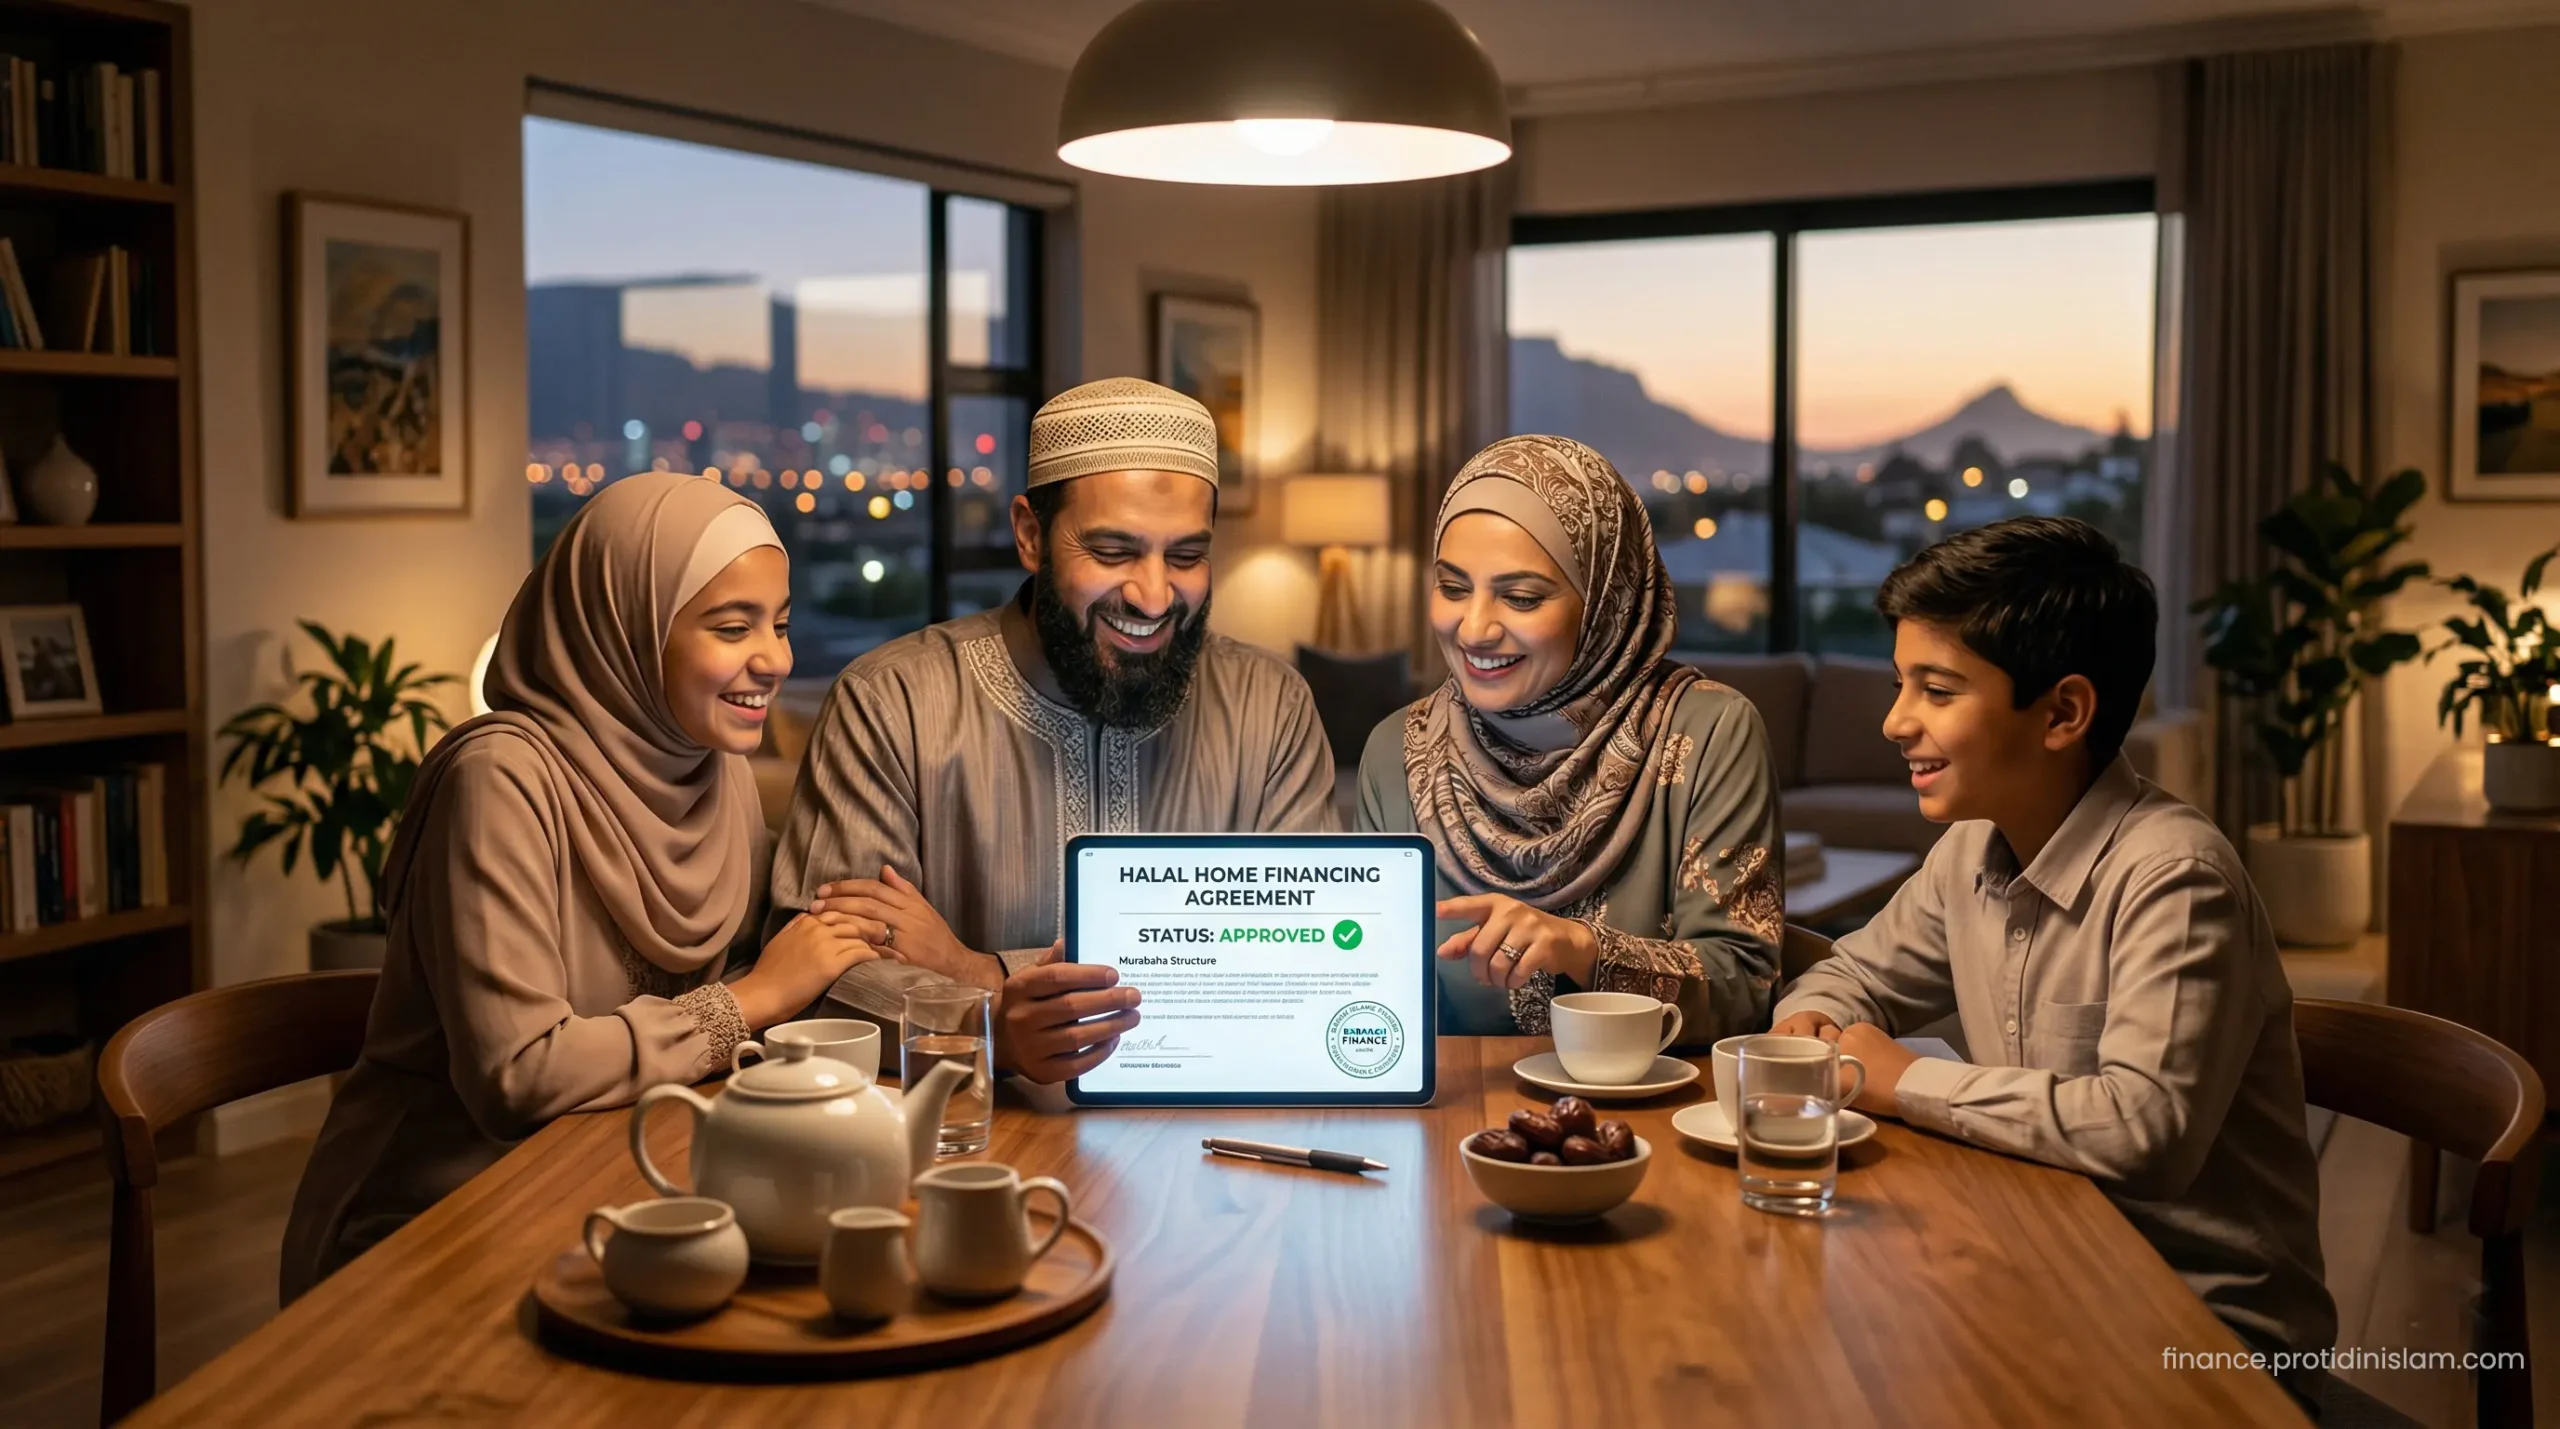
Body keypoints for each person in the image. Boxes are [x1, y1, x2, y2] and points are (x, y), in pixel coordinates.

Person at [281, 474, 889, 1300]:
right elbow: (520, 1076)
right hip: (434, 1226)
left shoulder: (719, 775)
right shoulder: (500, 781)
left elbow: (774, 965)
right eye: (731, 626)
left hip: (626, 1191)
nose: (775, 659)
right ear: (624, 629)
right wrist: (749, 1002)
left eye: (779, 625)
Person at [1769, 517, 2335, 1380]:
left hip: (2202, 1331)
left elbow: (2144, 1128)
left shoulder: (2175, 879)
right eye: (1899, 683)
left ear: (2063, 711)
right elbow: (1854, 974)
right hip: (2039, 1261)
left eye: (1937, 689)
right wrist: (1815, 1020)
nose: (1893, 721)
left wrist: (1902, 1077)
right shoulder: (1971, 850)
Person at [766, 377, 1340, 1084]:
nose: (1153, 595)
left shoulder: (1270, 706)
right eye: (1113, 551)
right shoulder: (892, 703)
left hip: (1218, 1142)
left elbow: (1304, 974)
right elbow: (822, 979)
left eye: (1186, 557)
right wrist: (992, 1033)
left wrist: (975, 972)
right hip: (972, 1149)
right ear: (1031, 536)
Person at [1355, 435, 1784, 1041]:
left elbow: (1745, 989)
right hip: (1456, 1118)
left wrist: (1581, 948)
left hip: (1656, 1119)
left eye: (1522, 597)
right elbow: (1370, 996)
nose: (1474, 629)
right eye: (1453, 588)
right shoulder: (1397, 750)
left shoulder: (1709, 731)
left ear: (1605, 599)